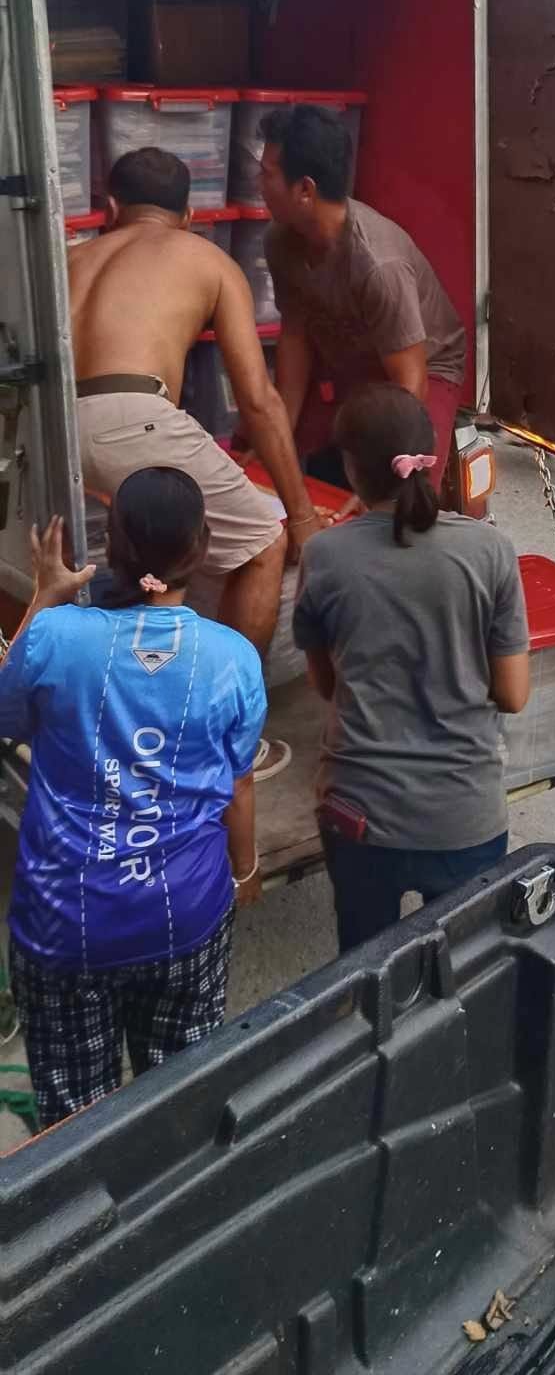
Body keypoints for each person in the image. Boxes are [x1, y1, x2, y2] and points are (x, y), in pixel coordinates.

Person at [0, 469, 266, 1130]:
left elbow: (4, 716)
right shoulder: (233, 658)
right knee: (182, 1108)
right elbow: (238, 785)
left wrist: (45, 596)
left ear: (111, 548)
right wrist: (246, 872)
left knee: (74, 1128)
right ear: (201, 549)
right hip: (188, 917)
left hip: (63, 928)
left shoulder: (57, 638)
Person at [69, 146, 324, 777]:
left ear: (110, 208)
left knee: (114, 552)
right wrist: (301, 516)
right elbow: (258, 400)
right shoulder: (206, 258)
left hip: (52, 423)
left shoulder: (69, 260)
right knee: (262, 540)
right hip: (134, 413)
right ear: (188, 216)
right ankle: (226, 735)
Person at [292, 383, 530, 952]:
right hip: (465, 816)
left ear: (351, 468)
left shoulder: (324, 555)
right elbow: (513, 694)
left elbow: (326, 685)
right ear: (432, 454)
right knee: (465, 971)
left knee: (364, 970)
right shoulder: (490, 551)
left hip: (359, 815)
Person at [259, 105, 467, 493]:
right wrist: (279, 435)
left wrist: (384, 487)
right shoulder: (280, 240)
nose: (258, 184)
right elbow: (295, 336)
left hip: (425, 367)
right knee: (266, 448)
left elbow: (409, 385)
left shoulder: (378, 265)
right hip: (351, 360)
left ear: (305, 190)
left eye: (266, 174)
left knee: (404, 489)